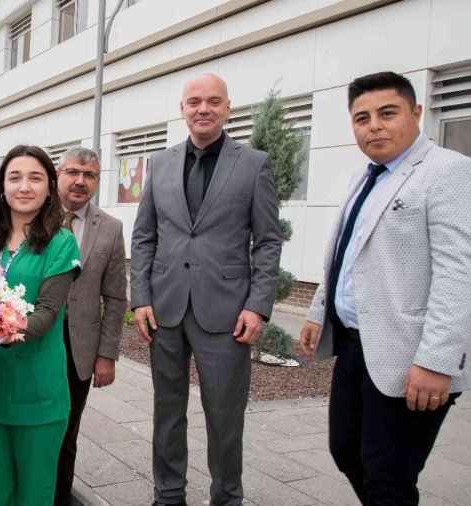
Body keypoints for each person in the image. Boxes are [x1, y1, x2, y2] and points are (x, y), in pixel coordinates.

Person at [299, 71, 471, 505]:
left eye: (386, 113)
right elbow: (347, 252)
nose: (373, 125)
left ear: (416, 113)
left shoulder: (448, 172)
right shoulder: (369, 176)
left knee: (387, 474)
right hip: (357, 348)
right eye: (361, 118)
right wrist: (319, 310)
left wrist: (436, 360)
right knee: (346, 451)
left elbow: (460, 273)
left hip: (411, 356)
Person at [130, 73, 281, 506]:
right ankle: (168, 494)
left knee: (224, 417)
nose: (203, 109)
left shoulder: (254, 164)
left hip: (228, 312)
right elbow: (144, 236)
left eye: (213, 101)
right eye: (194, 101)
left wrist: (258, 305)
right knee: (167, 413)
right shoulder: (159, 164)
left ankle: (227, 497)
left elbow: (268, 240)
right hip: (166, 308)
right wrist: (141, 296)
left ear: (228, 108)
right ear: (182, 109)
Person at [0, 144, 81, 505]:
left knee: (34, 494)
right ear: (2, 186)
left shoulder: (61, 242)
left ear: (50, 185)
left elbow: (47, 313)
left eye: (35, 178)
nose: (24, 187)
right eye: (14, 177)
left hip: (38, 393)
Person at [52, 147, 128, 506]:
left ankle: (60, 496)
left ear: (97, 180)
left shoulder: (110, 229)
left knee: (67, 431)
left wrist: (106, 355)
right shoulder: (34, 215)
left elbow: (115, 298)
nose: (80, 180)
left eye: (90, 175)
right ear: (58, 174)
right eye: (73, 172)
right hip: (33, 340)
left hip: (78, 347)